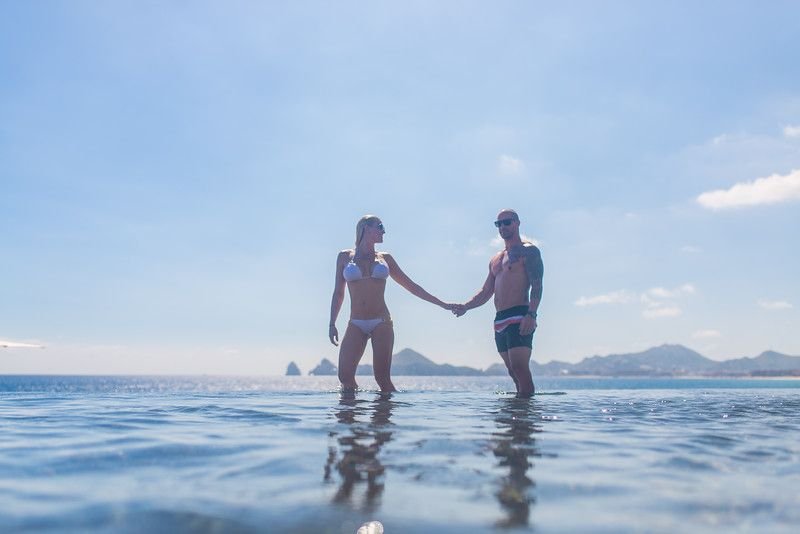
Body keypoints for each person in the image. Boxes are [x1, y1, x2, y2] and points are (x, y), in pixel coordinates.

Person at [329, 215, 454, 394]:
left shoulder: (385, 258)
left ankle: (383, 419)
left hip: (381, 321)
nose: (383, 231)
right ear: (365, 228)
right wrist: (332, 323)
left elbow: (412, 287)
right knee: (345, 378)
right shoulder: (343, 257)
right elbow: (338, 293)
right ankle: (350, 419)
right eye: (380, 227)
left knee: (382, 379)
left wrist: (443, 304)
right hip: (355, 322)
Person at [453, 209, 543, 397]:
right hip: (500, 319)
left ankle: (528, 415)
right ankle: (519, 415)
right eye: (498, 224)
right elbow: (486, 291)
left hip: (520, 314)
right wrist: (466, 307)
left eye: (507, 222)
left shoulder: (529, 251)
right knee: (512, 371)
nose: (502, 227)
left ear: (517, 223)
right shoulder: (496, 259)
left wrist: (531, 314)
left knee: (520, 367)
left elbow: (537, 284)